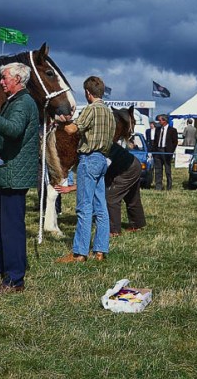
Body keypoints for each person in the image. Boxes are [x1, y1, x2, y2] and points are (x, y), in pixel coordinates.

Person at [0, 62, 39, 293]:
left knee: (11, 229)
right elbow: (5, 142)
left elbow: (12, 130)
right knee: (1, 226)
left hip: (15, 175)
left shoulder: (23, 103)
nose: (1, 81)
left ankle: (14, 280)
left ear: (18, 80)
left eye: (4, 78)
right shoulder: (13, 101)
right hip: (8, 171)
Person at [56, 76, 115, 263]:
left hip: (89, 159)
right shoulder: (109, 112)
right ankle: (100, 251)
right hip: (102, 160)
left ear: (88, 93)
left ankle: (80, 253)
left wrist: (62, 121)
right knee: (101, 208)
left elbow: (73, 129)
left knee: (84, 207)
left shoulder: (92, 109)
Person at [106, 142, 146, 236]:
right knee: (132, 197)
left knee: (111, 198)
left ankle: (114, 230)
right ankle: (137, 225)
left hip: (127, 169)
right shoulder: (106, 142)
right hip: (135, 164)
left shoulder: (99, 149)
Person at [153, 114, 178, 191]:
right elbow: (155, 141)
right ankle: (158, 187)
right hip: (158, 152)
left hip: (166, 152)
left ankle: (169, 187)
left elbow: (175, 142)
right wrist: (154, 151)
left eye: (160, 120)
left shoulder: (172, 130)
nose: (159, 122)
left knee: (167, 170)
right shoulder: (157, 129)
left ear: (164, 121)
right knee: (158, 170)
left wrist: (171, 152)